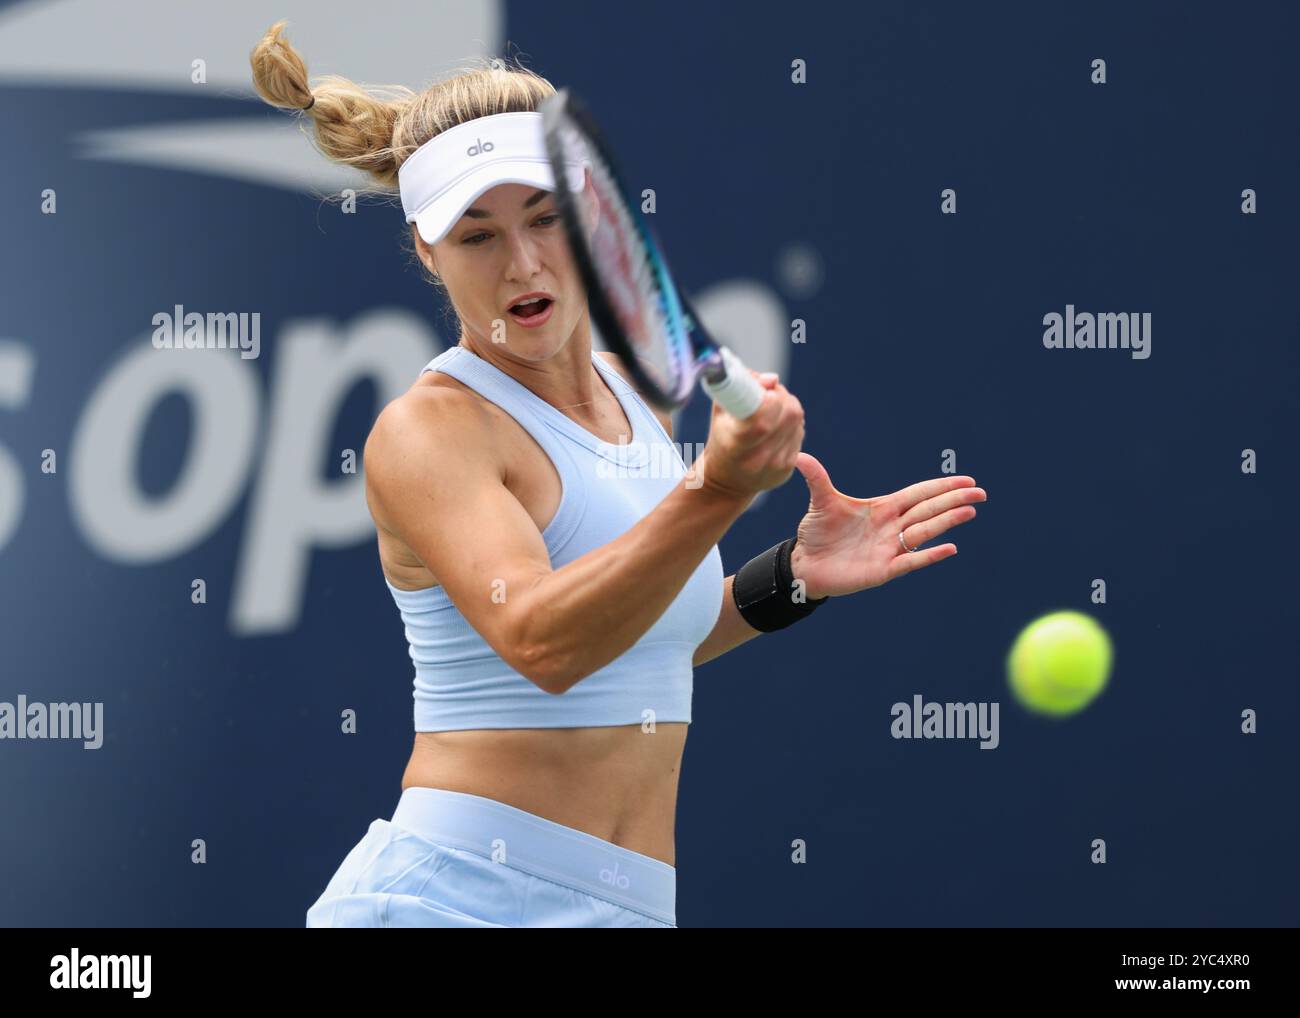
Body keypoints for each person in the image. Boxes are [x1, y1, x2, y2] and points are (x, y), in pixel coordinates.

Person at [250, 21, 987, 928]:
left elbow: (633, 646)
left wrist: (789, 577)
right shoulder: (427, 432)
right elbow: (544, 645)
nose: (521, 262)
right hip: (459, 899)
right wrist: (714, 493)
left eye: (545, 217)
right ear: (427, 251)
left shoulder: (637, 393)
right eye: (476, 235)